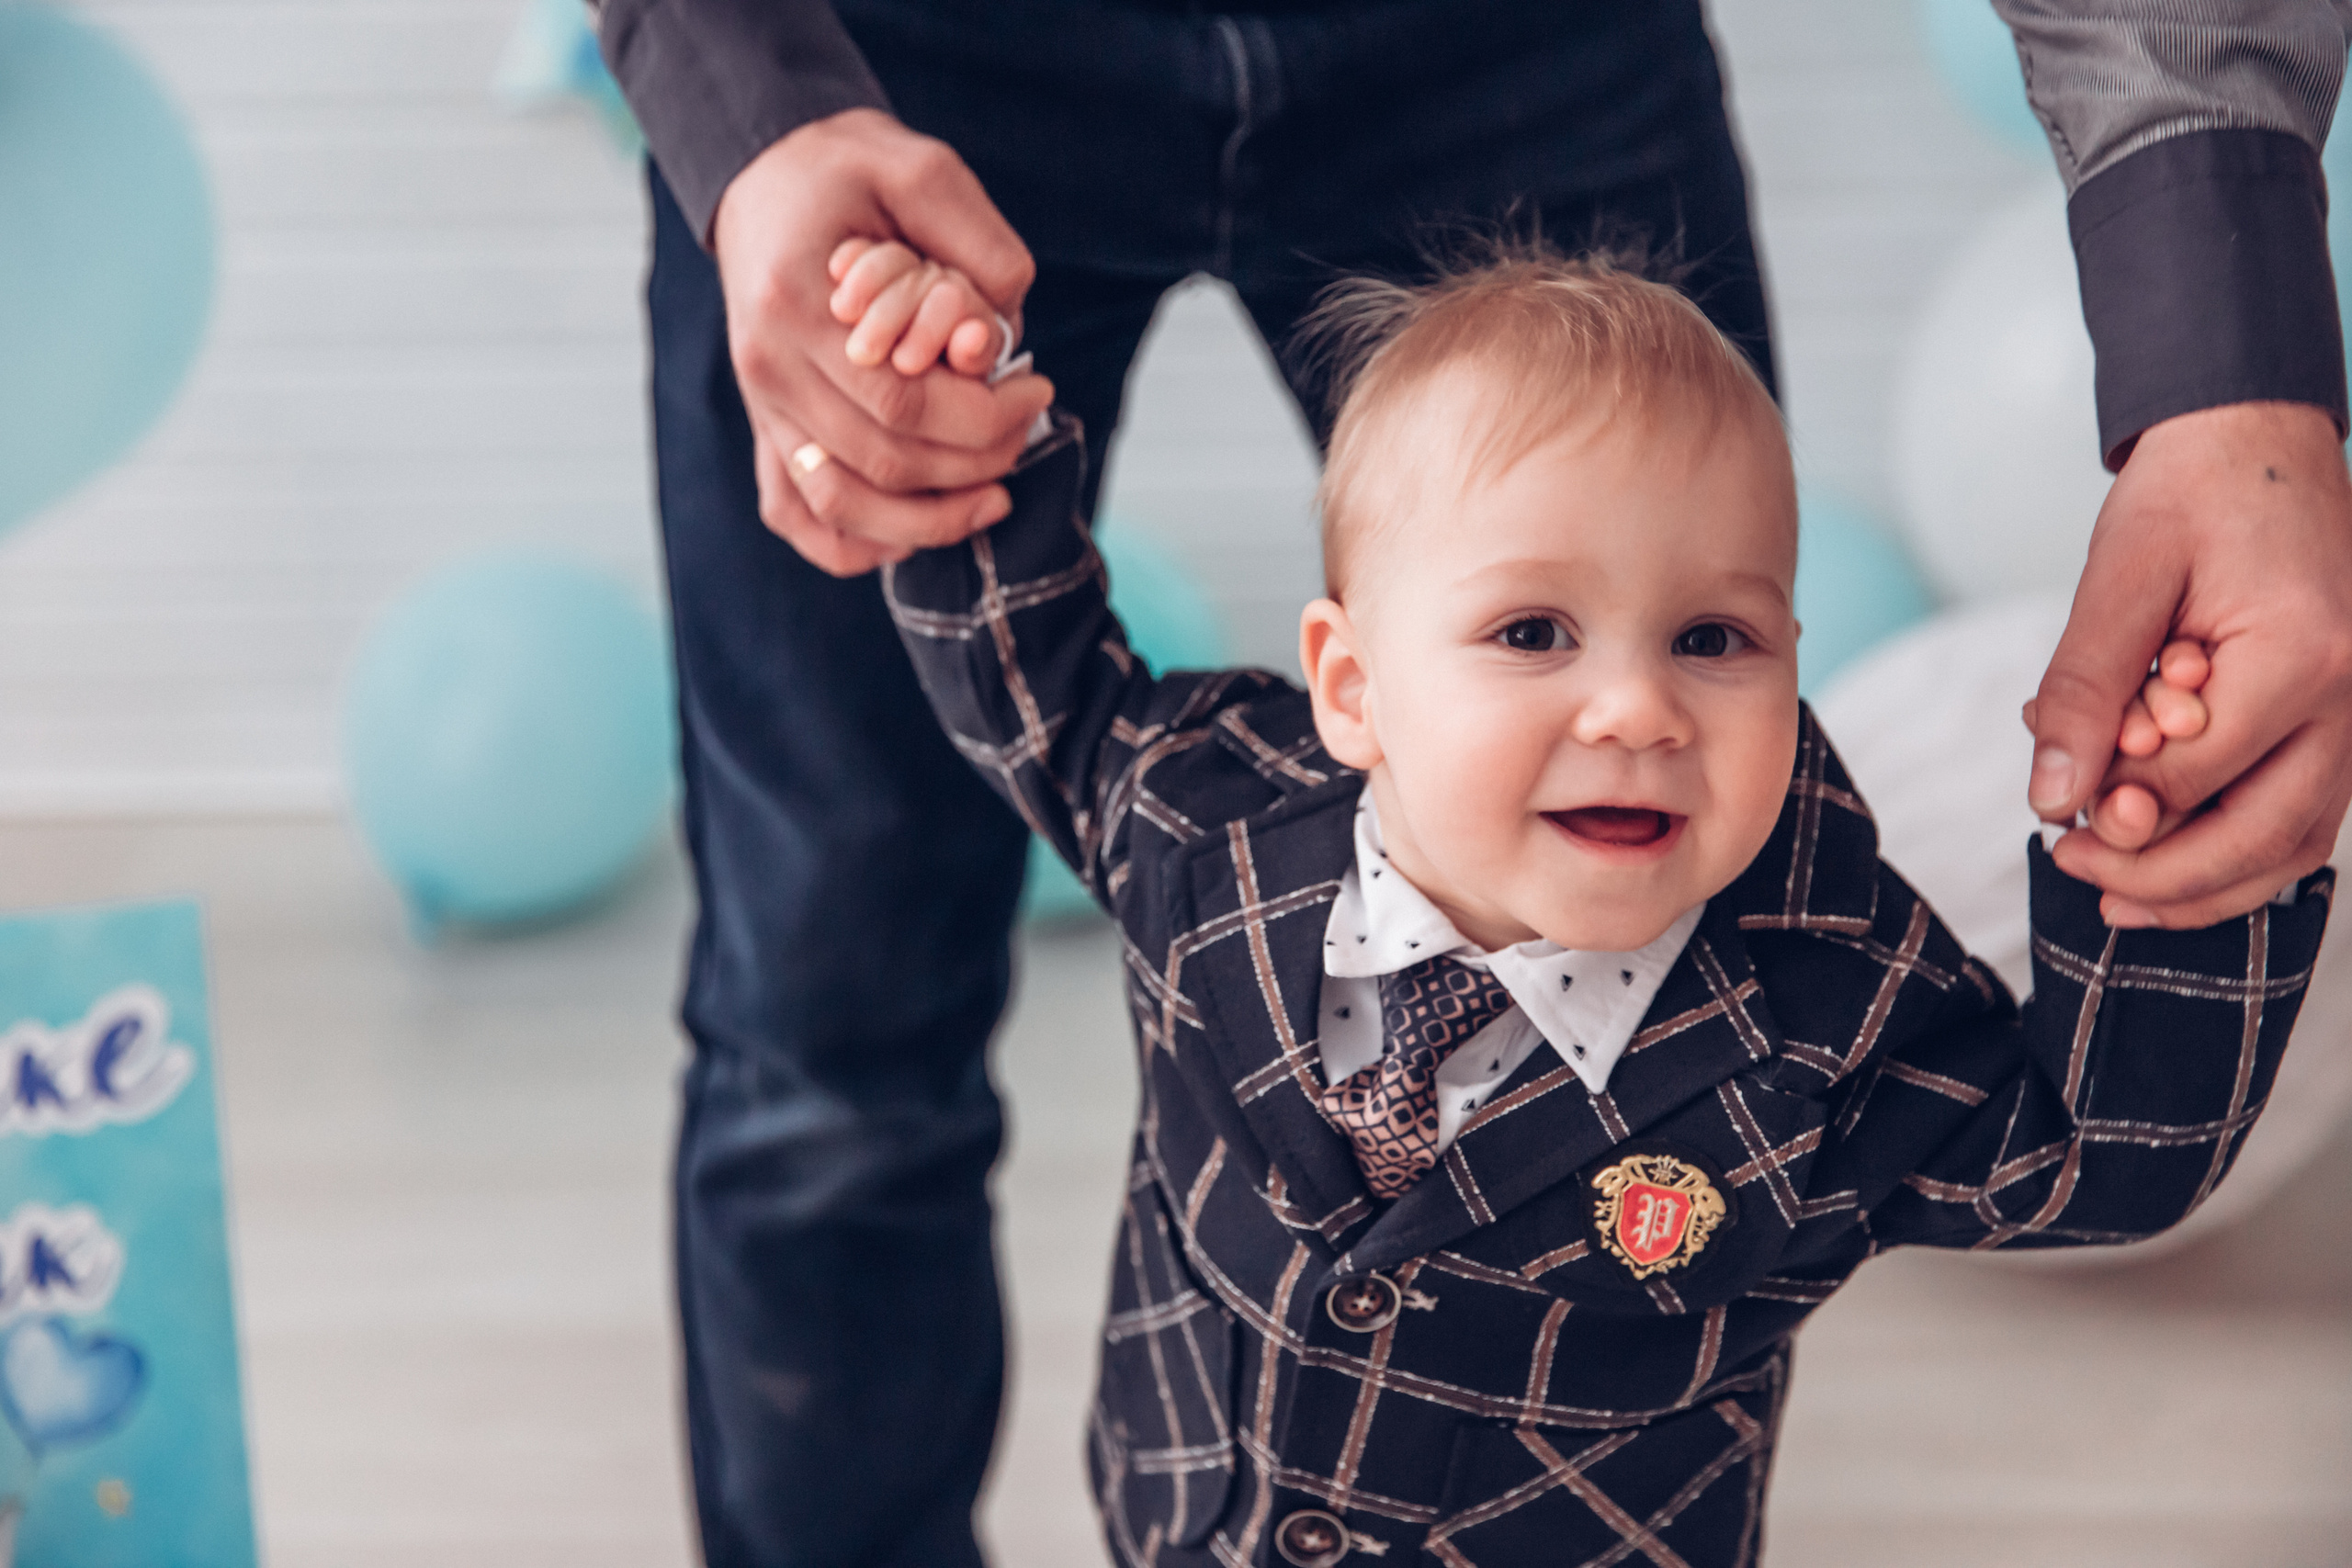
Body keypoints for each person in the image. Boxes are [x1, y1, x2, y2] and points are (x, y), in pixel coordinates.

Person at [588, 3, 2352, 1562]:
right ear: (1343, 684)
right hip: (909, 52)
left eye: (1720, 645)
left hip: (1519, 37)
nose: (1640, 711)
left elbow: (2105, 1151)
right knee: (827, 1028)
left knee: (1642, 474)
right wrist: (930, 372)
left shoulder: (1823, 1009)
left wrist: (2168, 861)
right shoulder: (1209, 826)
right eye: (1530, 637)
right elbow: (1027, 662)